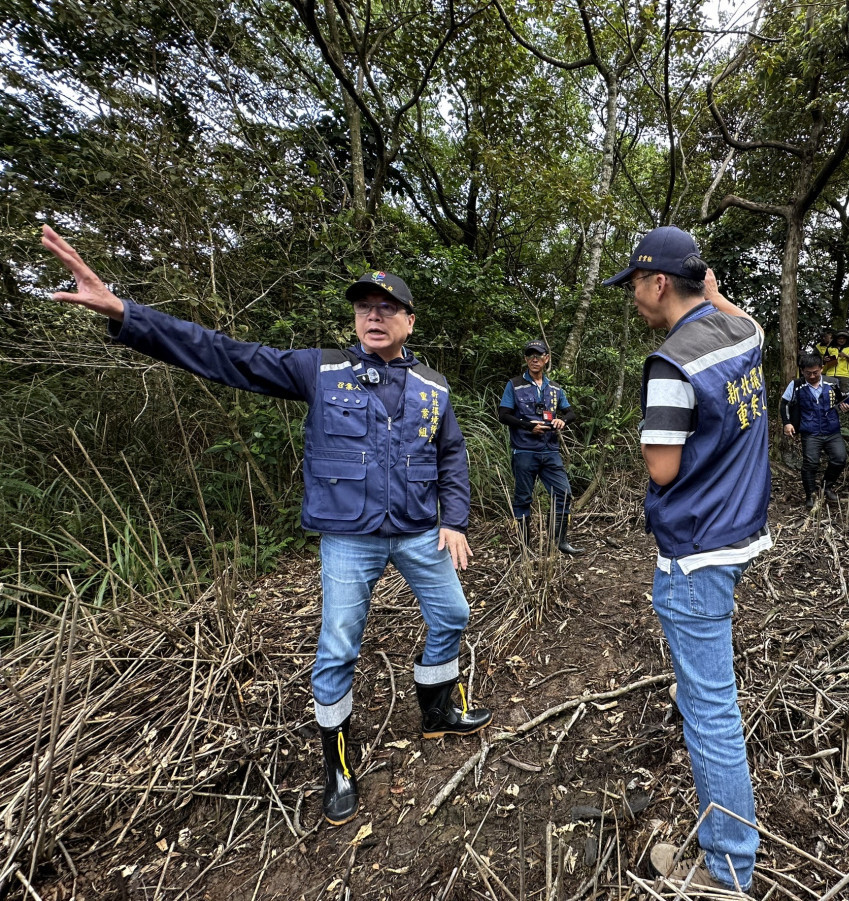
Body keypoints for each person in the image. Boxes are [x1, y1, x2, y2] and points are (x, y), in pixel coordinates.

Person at [40, 226, 492, 828]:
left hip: (416, 529)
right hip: (349, 535)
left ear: (410, 321)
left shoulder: (434, 385)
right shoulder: (320, 370)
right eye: (364, 309)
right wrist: (125, 312)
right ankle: (337, 766)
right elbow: (225, 354)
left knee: (454, 616)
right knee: (338, 649)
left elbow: (450, 456)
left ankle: (436, 711)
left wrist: (454, 519)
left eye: (387, 309)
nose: (373, 318)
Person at [603, 226, 770, 894]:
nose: (633, 300)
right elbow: (749, 317)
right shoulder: (742, 337)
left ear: (659, 283)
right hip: (739, 532)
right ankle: (689, 691)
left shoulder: (671, 363)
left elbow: (663, 468)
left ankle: (729, 867)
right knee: (704, 687)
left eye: (635, 287)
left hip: (697, 549)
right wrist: (717, 293)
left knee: (712, 713)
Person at [497, 339, 581, 555]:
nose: (535, 359)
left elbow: (570, 412)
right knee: (523, 498)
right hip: (524, 450)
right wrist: (527, 426)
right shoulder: (514, 384)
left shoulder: (554, 388)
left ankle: (559, 543)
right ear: (526, 359)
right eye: (530, 355)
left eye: (539, 355)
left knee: (563, 493)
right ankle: (525, 548)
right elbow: (503, 415)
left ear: (546, 359)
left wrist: (563, 421)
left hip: (550, 450)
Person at [781, 353, 849, 507]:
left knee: (839, 458)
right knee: (810, 463)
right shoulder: (796, 385)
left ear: (822, 368)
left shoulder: (832, 383)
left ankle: (826, 487)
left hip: (832, 430)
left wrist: (845, 406)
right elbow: (784, 404)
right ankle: (810, 495)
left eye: (816, 372)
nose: (813, 376)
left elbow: (842, 400)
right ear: (802, 371)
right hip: (810, 431)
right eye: (808, 373)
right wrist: (787, 423)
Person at [817, 329, 849, 394]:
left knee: (843, 395)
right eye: (840, 338)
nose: (841, 340)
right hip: (830, 375)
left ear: (846, 339)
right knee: (829, 394)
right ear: (836, 339)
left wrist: (846, 356)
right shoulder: (830, 348)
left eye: (843, 338)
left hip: (843, 375)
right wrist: (824, 359)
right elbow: (824, 360)